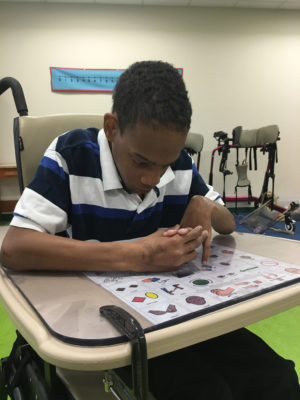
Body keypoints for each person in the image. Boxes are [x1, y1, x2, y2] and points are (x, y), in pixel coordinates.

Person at [0, 61, 299, 399]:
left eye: (165, 164)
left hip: (176, 313)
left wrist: (205, 205)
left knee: (277, 379)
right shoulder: (72, 156)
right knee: (204, 391)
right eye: (141, 161)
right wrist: (137, 254)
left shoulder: (179, 163)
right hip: (100, 323)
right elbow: (15, 248)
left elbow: (229, 224)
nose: (153, 178)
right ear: (112, 127)